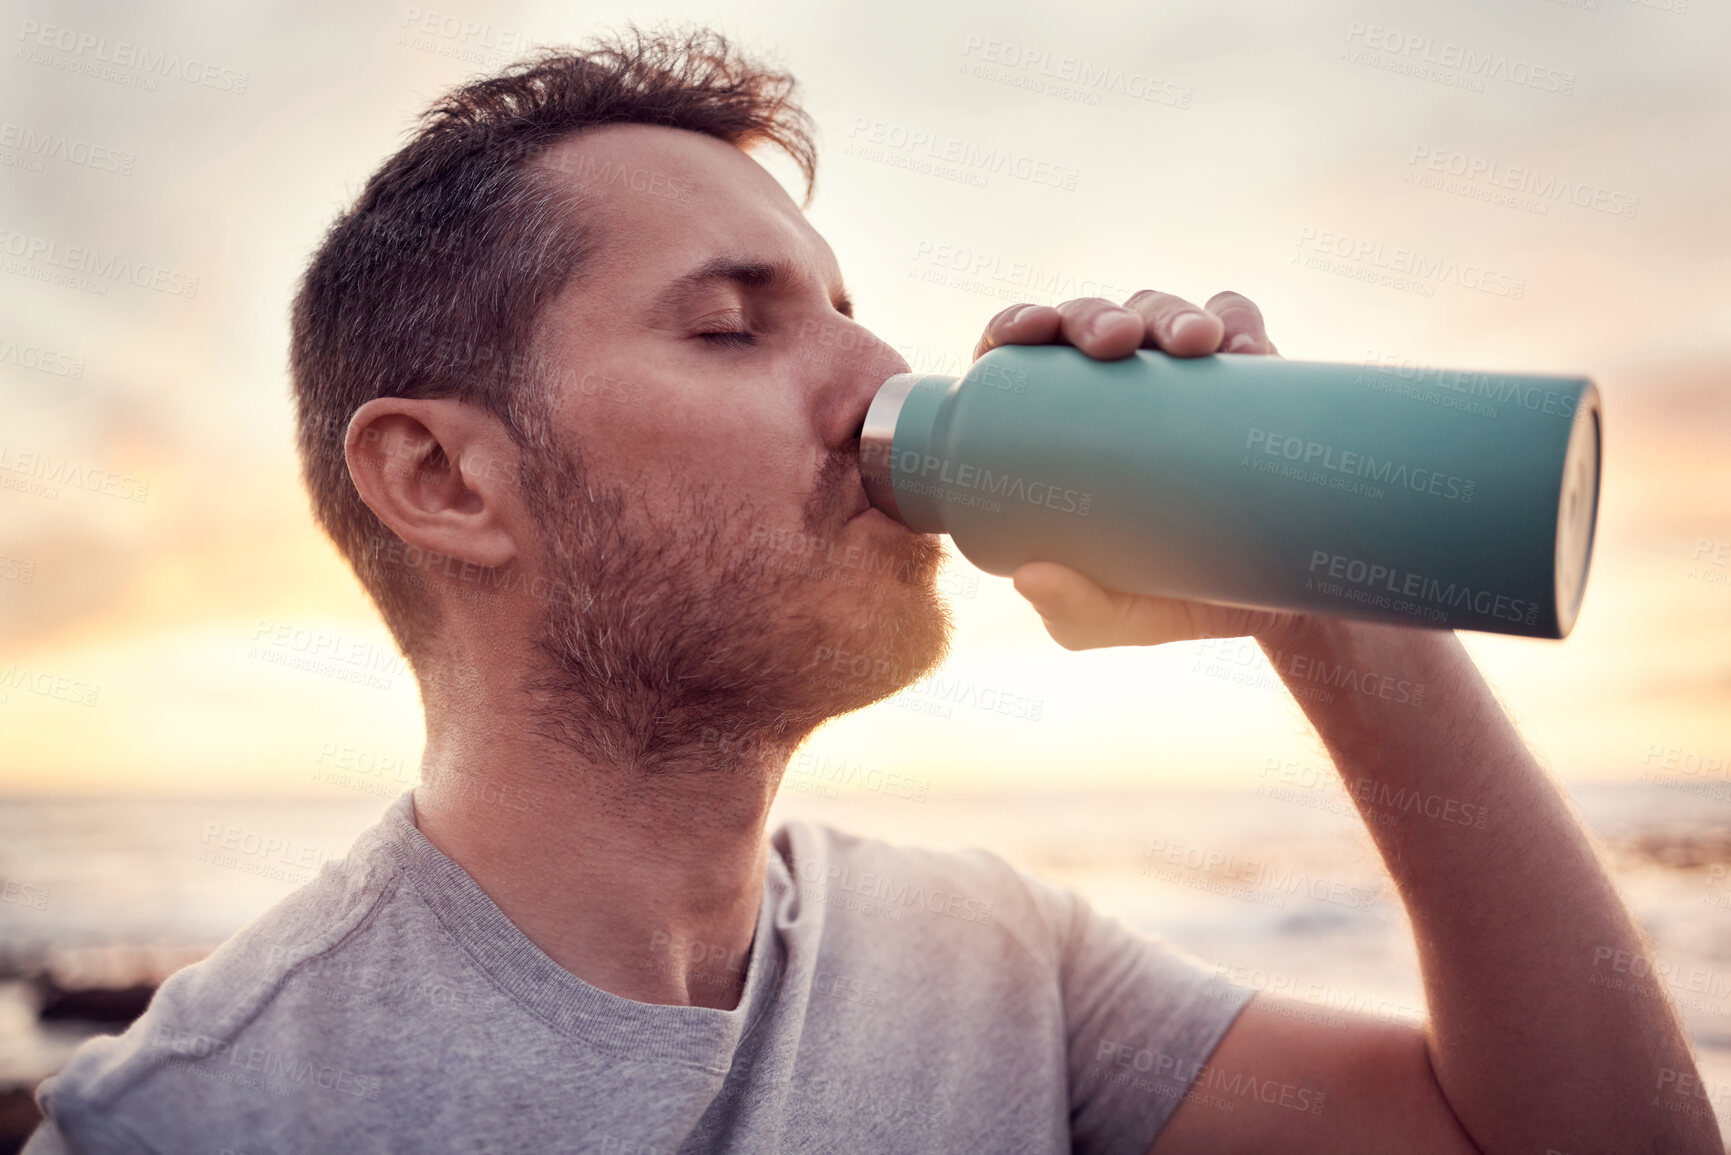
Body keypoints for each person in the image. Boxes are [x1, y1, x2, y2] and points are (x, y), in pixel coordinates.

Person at [26, 26, 1717, 1155]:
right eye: (732, 323)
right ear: (447, 481)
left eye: (850, 308)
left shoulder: (995, 964)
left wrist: (1330, 612)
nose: (878, 376)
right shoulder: (204, 1117)